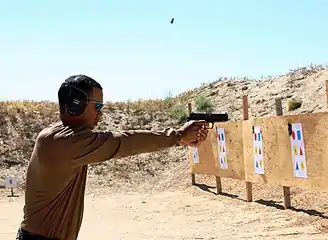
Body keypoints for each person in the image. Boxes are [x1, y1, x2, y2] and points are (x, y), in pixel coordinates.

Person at [16, 75, 209, 240]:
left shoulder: (56, 135)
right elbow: (123, 142)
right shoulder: (65, 142)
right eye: (97, 106)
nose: (100, 113)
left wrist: (179, 138)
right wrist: (178, 136)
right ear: (77, 105)